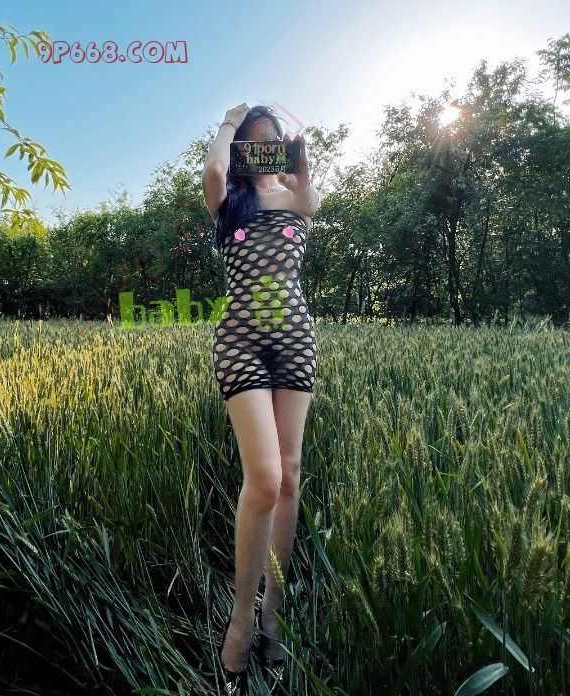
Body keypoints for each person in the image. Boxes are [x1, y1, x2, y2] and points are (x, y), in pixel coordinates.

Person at [202, 103, 321, 695]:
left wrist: (302, 161)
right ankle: (241, 620)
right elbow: (213, 174)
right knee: (266, 478)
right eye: (250, 143)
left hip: (295, 339)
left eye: (270, 139)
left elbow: (310, 197)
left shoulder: (296, 198)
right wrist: (229, 123)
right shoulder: (230, 201)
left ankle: (274, 609)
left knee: (291, 476)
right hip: (241, 341)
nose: (260, 149)